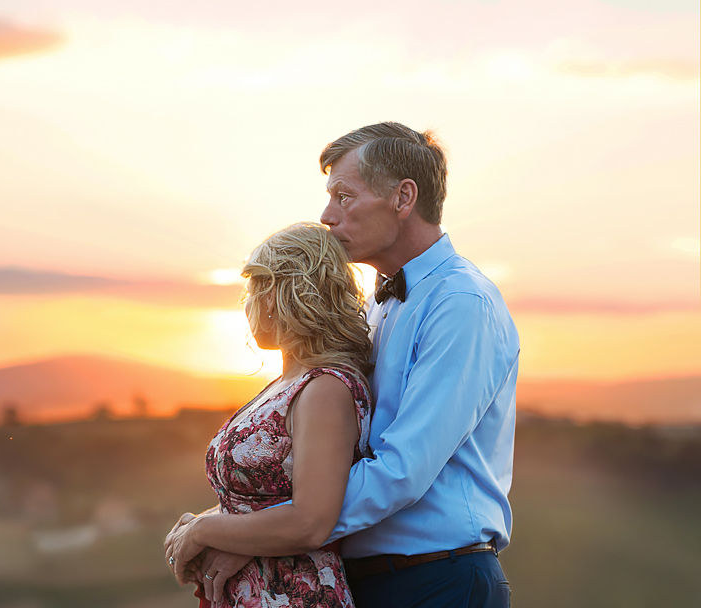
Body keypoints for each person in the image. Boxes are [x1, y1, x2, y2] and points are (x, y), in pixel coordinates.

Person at [169, 122, 519, 608]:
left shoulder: (461, 303)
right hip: (370, 578)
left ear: (403, 198)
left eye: (343, 196)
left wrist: (245, 533)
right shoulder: (380, 306)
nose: (327, 215)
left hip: (437, 579)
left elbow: (401, 471)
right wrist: (255, 533)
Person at [164, 222, 375, 607]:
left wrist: (205, 531)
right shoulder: (289, 383)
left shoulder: (325, 388)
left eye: (253, 289)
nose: (247, 303)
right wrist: (203, 522)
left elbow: (311, 521)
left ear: (280, 294)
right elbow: (267, 497)